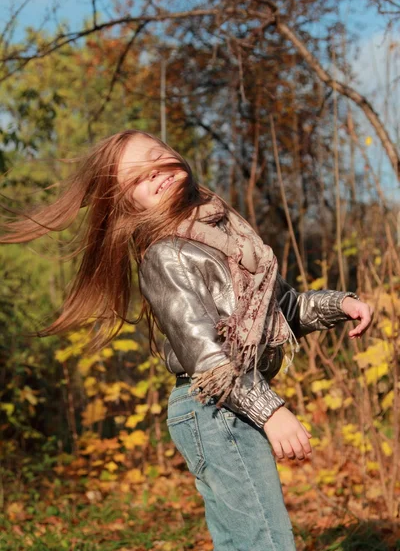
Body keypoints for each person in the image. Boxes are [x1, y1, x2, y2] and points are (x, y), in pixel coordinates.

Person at [0, 129, 373, 551]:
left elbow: (281, 311)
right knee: (265, 541)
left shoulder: (230, 236)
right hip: (214, 410)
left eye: (159, 158)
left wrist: (340, 304)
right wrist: (271, 414)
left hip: (226, 406)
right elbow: (208, 361)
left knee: (242, 542)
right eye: (139, 178)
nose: (157, 173)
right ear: (128, 202)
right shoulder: (166, 255)